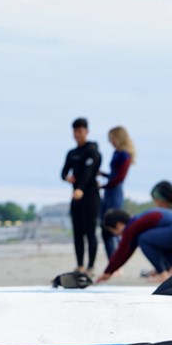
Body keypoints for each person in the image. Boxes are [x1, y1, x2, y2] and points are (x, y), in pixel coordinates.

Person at [95, 208, 172, 284]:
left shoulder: (132, 226)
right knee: (161, 241)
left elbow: (124, 250)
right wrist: (110, 271)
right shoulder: (141, 217)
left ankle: (163, 274)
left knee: (143, 239)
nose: (118, 235)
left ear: (118, 224)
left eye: (114, 231)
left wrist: (108, 271)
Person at [60, 117, 103, 275]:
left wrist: (81, 189)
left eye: (80, 131)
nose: (77, 134)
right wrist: (67, 177)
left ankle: (90, 266)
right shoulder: (72, 153)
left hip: (90, 196)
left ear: (86, 131)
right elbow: (63, 171)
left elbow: (88, 172)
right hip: (75, 198)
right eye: (75, 131)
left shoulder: (92, 151)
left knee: (90, 232)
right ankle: (80, 265)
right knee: (77, 232)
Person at [99, 126, 135, 258]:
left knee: (115, 227)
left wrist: (103, 186)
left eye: (112, 139)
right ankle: (112, 259)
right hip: (109, 192)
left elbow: (120, 178)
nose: (111, 142)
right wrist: (103, 175)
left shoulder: (125, 155)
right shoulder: (116, 153)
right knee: (106, 227)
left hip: (115, 193)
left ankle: (119, 258)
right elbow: (114, 176)